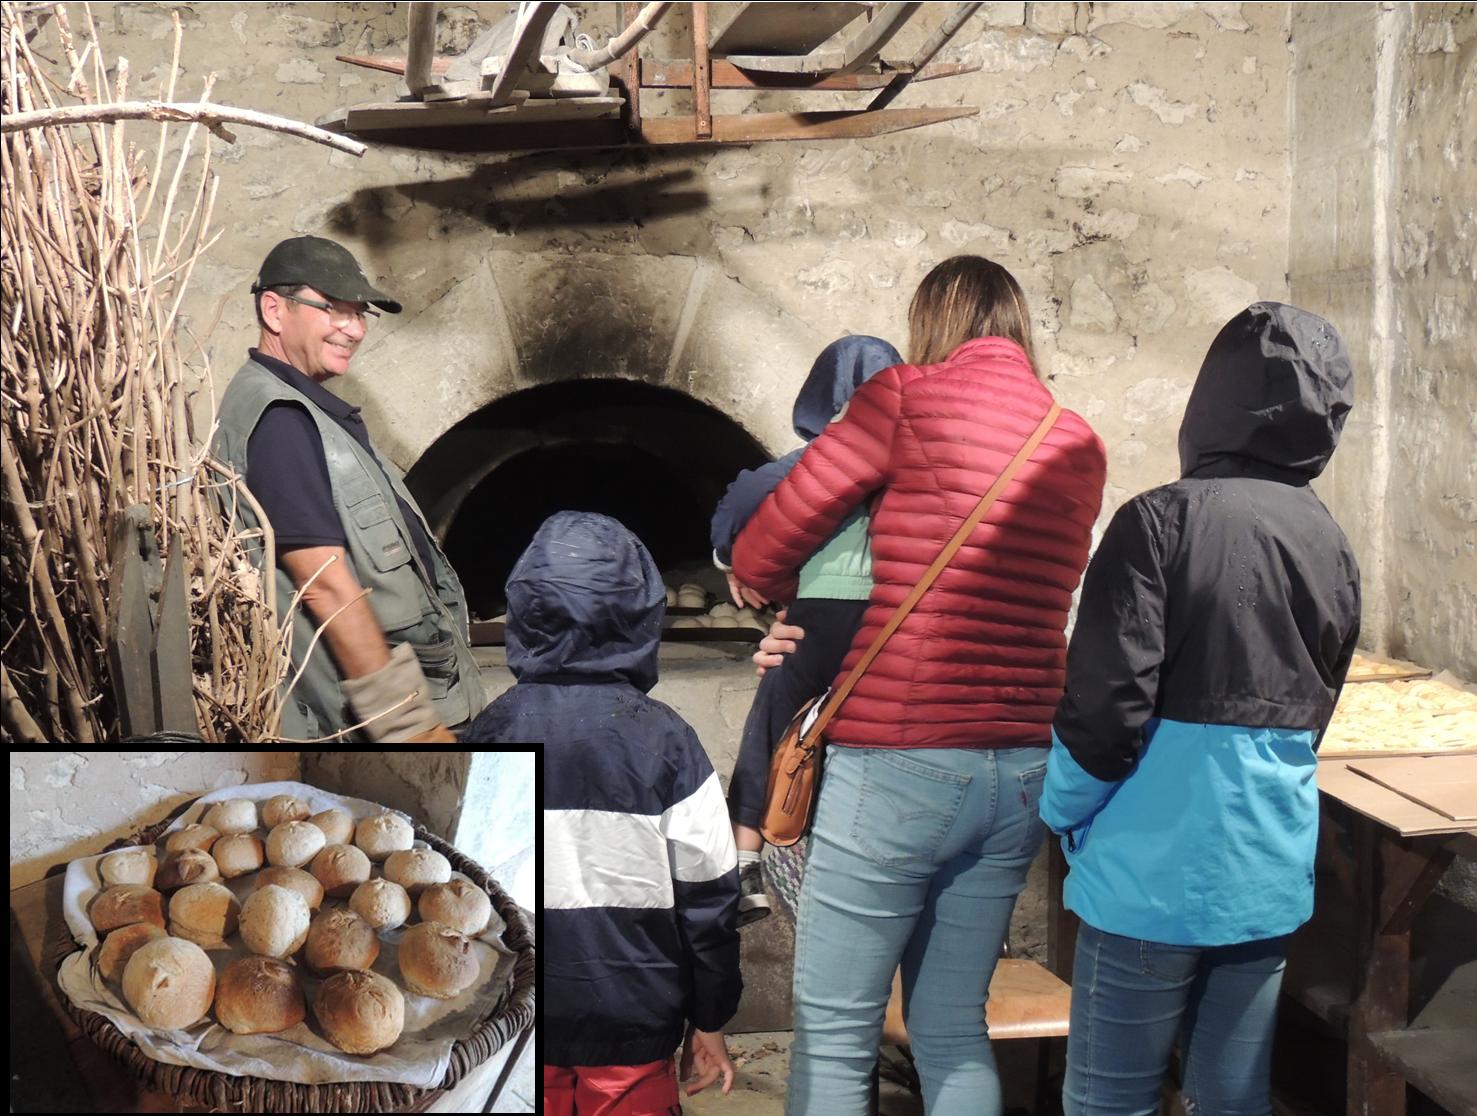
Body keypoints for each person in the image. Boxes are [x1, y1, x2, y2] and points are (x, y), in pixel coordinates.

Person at [730, 256, 1107, 1116]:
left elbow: (761, 548)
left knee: (833, 1028)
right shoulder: (1075, 437)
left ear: (931, 321)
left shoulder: (902, 397)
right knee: (948, 1024)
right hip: (1020, 767)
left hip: (897, 759)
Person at [1040, 303, 1361, 1116]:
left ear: (1209, 399)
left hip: (1151, 871)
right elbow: (1317, 706)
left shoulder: (1157, 520)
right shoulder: (1328, 540)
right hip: (1264, 868)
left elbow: (1106, 706)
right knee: (1231, 1098)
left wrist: (1057, 807)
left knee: (1109, 1099)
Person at [464, 512, 741, 1114]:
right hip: (632, 1020)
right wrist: (711, 1017)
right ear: (639, 614)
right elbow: (710, 898)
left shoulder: (489, 730)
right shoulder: (669, 742)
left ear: (525, 611)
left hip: (515, 1017)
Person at [212, 236, 484, 743]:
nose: (353, 329)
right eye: (332, 309)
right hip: (368, 720)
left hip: (421, 688)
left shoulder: (305, 408)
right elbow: (324, 584)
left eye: (360, 314)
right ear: (275, 309)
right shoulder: (281, 420)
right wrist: (407, 725)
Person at [710, 334, 903, 925]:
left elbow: (740, 501)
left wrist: (728, 559)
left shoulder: (816, 462)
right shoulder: (917, 466)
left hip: (817, 617)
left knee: (772, 721)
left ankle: (745, 862)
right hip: (892, 619)